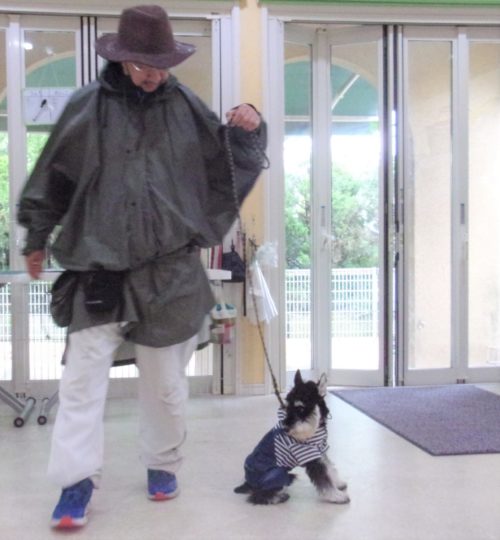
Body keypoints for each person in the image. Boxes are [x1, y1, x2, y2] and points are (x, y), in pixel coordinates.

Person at [17, 4, 266, 530]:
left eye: (161, 65)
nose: (153, 74)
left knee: (166, 386)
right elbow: (53, 175)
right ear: (122, 58)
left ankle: (162, 464)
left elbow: (223, 166)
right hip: (97, 270)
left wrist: (249, 130)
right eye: (142, 65)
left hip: (168, 273)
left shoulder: (187, 108)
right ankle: (76, 482)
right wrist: (36, 236)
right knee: (81, 383)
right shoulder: (86, 107)